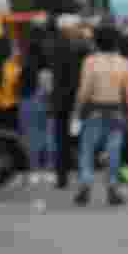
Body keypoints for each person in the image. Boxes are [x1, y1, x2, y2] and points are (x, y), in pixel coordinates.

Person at [72, 23, 128, 207]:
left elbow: (84, 90)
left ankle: (85, 183)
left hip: (94, 110)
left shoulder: (90, 62)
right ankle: (113, 187)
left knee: (87, 149)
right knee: (114, 150)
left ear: (95, 41)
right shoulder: (124, 63)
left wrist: (77, 111)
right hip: (116, 111)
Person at [51, 14, 90, 189]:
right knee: (81, 138)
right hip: (76, 100)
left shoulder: (55, 45)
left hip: (61, 100)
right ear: (67, 28)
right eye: (76, 27)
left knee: (61, 139)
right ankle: (80, 174)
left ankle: (62, 176)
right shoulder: (79, 47)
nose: (78, 29)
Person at [18, 35, 56, 186]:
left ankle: (33, 171)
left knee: (31, 138)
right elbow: (49, 90)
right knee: (48, 137)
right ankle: (49, 169)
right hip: (43, 104)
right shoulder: (46, 71)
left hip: (27, 104)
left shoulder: (25, 68)